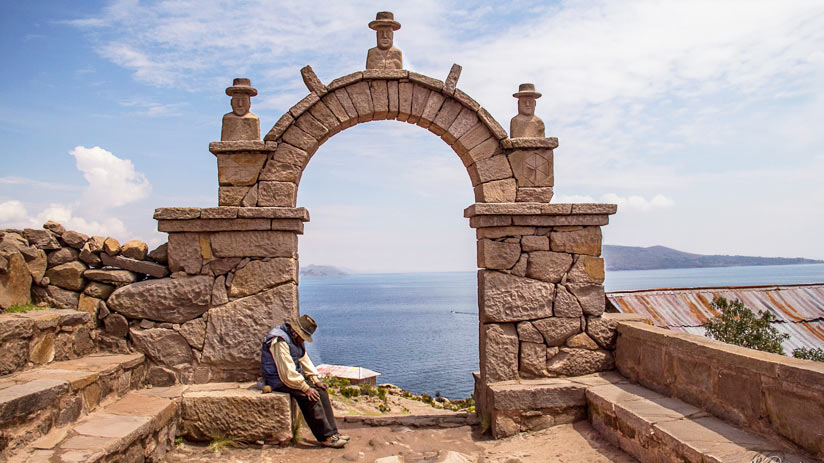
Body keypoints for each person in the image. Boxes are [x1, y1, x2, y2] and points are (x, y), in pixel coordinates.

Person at [260, 315, 349, 448]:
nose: (304, 341)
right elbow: (287, 372)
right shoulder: (279, 340)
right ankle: (325, 437)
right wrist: (305, 387)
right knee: (310, 397)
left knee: (321, 392)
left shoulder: (295, 341)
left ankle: (333, 432)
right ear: (296, 333)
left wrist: (314, 379)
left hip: (290, 378)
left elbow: (304, 360)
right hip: (278, 379)